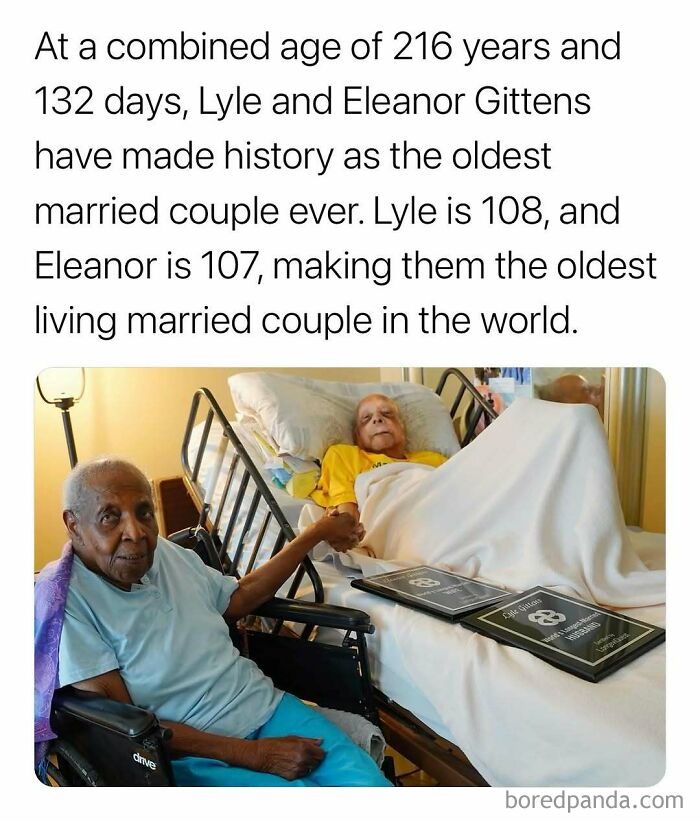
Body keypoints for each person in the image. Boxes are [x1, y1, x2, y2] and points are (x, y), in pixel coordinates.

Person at [52, 457, 391, 787]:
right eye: (110, 517)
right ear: (73, 525)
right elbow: (125, 730)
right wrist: (254, 754)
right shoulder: (70, 604)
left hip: (264, 705)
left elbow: (239, 597)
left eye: (144, 513)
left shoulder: (169, 555)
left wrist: (314, 534)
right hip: (189, 751)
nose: (136, 533)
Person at [310, 394, 447, 553]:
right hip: (400, 531)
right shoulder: (344, 454)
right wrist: (346, 531)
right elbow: (346, 506)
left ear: (402, 427)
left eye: (387, 414)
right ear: (358, 435)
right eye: (366, 418)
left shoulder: (434, 460)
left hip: (440, 519)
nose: (377, 419)